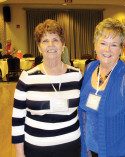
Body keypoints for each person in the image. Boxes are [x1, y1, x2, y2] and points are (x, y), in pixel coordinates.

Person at [11, 19, 82, 157]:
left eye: (55, 40)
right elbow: (17, 120)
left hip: (72, 148)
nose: (51, 45)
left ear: (63, 46)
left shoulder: (76, 75)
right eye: (45, 41)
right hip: (36, 150)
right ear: (39, 47)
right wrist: (20, 154)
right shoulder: (27, 77)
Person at [78, 18, 125, 157]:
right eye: (103, 43)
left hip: (118, 152)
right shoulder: (90, 68)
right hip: (89, 150)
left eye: (113, 45)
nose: (107, 50)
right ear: (95, 45)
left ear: (121, 48)